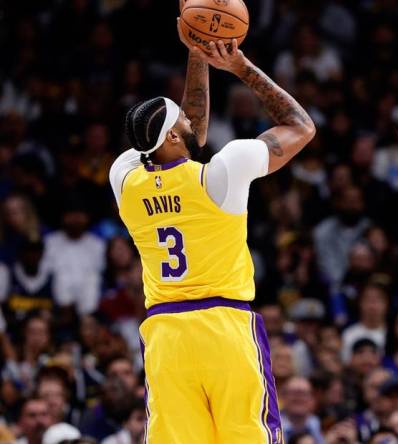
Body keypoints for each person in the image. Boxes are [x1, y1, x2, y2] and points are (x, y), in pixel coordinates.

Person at [107, 21, 315, 443]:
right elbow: (300, 126)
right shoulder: (222, 174)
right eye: (180, 116)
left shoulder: (123, 179)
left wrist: (197, 53)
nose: (190, 116)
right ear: (170, 136)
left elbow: (186, 138)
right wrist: (239, 66)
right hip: (224, 328)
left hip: (165, 337)